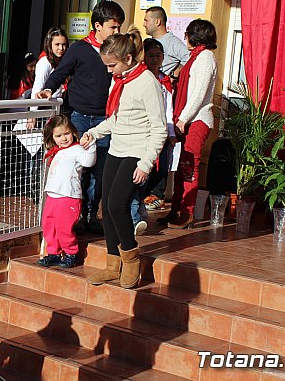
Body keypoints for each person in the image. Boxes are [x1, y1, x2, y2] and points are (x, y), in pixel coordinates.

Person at [81, 31, 167, 289]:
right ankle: (112, 264)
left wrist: (146, 163)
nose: (109, 71)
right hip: (117, 149)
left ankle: (131, 259)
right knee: (106, 207)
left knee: (118, 204)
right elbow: (117, 118)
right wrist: (94, 133)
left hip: (137, 151)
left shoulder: (147, 83)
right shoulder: (120, 81)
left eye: (112, 65)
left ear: (128, 58)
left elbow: (159, 127)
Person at [36, 0, 125, 234]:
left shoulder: (117, 52)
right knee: (74, 167)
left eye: (119, 27)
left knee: (99, 171)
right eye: (113, 27)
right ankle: (71, 217)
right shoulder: (79, 49)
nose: (117, 32)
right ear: (98, 26)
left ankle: (89, 214)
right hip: (79, 118)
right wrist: (48, 89)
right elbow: (60, 73)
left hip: (104, 121)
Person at [158, 19, 218, 229]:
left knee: (189, 165)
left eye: (187, 35)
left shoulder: (205, 58)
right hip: (187, 118)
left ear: (195, 36)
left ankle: (188, 211)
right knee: (181, 164)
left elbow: (198, 94)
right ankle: (176, 208)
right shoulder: (195, 57)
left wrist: (183, 118)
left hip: (197, 119)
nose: (185, 39)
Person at [37, 115, 96, 269]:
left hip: (68, 196)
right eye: (58, 135)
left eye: (66, 133)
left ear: (73, 132)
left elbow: (89, 161)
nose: (63, 138)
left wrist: (91, 145)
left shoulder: (77, 149)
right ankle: (54, 253)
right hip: (52, 196)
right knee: (49, 225)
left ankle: (71, 253)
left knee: (64, 227)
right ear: (53, 138)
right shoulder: (55, 151)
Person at [141, 38, 177, 212]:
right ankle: (138, 199)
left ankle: (146, 196)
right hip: (144, 130)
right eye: (150, 55)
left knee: (162, 168)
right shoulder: (142, 78)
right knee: (144, 167)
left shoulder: (165, 81)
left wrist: (170, 132)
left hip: (161, 131)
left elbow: (169, 108)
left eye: (158, 55)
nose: (155, 59)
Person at [143, 6, 190, 79]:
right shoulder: (149, 42)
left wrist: (175, 74)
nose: (144, 24)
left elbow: (189, 56)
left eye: (146, 21)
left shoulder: (172, 42)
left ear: (157, 22)